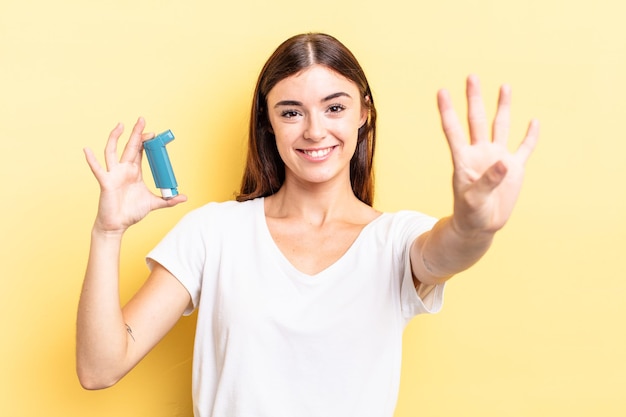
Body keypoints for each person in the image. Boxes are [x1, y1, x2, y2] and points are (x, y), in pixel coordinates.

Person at [76, 33, 539, 417]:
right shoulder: (214, 233)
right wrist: (108, 231)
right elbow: (99, 369)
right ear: (268, 124)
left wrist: (476, 226)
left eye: (335, 108)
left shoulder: (395, 241)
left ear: (364, 113)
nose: (314, 130)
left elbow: (447, 249)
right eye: (291, 111)